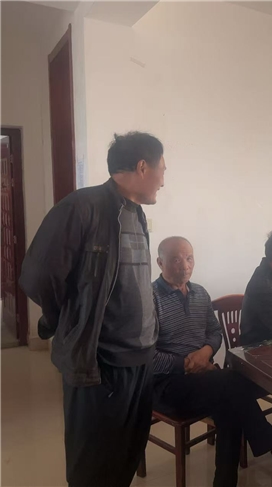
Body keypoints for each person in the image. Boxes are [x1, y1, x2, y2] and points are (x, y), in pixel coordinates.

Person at [19, 132, 166, 487]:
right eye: (162, 169)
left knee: (126, 454)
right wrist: (65, 318)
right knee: (92, 465)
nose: (164, 179)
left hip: (140, 359)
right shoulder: (81, 208)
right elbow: (38, 277)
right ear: (142, 167)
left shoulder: (137, 215)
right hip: (99, 363)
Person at [152, 237, 272, 487]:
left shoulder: (200, 293)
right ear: (160, 262)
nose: (184, 265)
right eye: (175, 260)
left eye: (189, 258)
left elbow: (214, 332)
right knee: (232, 386)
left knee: (230, 401)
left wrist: (205, 353)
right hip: (167, 385)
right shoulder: (149, 299)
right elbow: (146, 356)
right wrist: (186, 363)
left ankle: (226, 481)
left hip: (204, 376)